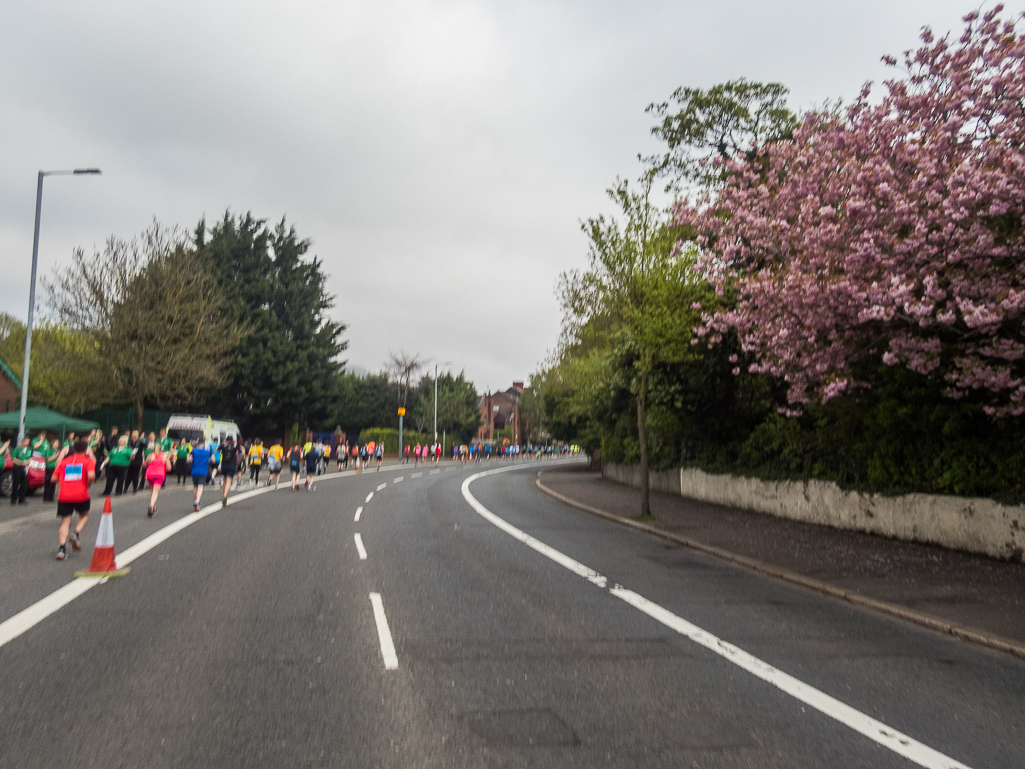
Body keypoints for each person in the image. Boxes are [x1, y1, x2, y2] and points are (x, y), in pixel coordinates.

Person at [54, 439, 96, 561]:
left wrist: (63, 482)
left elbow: (53, 478)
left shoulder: (65, 462)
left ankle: (61, 549)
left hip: (64, 495)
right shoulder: (89, 461)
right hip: (81, 494)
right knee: (84, 514)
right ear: (86, 450)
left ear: (73, 449)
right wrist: (88, 484)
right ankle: (76, 533)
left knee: (65, 522)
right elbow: (91, 475)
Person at [144, 440, 172, 517]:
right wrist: (163, 468)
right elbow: (169, 468)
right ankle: (151, 505)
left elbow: (145, 465)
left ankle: (154, 508)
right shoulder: (164, 456)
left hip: (150, 474)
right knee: (155, 492)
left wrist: (144, 460)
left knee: (153, 491)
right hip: (159, 474)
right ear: (161, 449)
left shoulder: (150, 456)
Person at [188, 437, 213, 512]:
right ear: (204, 443)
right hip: (203, 471)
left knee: (195, 487)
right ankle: (197, 501)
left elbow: (188, 459)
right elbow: (213, 459)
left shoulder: (194, 451)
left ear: (198, 444)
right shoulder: (208, 451)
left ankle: (195, 502)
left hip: (194, 471)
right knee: (201, 486)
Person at [10, 436, 31, 505]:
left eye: (28, 441)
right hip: (17, 468)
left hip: (25, 468)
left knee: (24, 484)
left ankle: (21, 499)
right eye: (25, 441)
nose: (27, 443)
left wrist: (28, 461)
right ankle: (13, 499)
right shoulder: (17, 449)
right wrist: (21, 462)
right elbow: (13, 459)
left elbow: (31, 458)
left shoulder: (29, 450)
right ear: (22, 442)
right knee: (16, 484)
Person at [219, 437, 238, 507]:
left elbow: (217, 449)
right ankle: (225, 496)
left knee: (224, 480)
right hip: (232, 465)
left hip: (224, 465)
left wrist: (223, 443)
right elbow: (242, 452)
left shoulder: (224, 447)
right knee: (229, 481)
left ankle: (224, 494)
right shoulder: (235, 447)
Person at [43, 438, 60, 502]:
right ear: (52, 444)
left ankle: (51, 497)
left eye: (57, 443)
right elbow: (48, 459)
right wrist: (55, 456)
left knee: (53, 482)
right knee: (48, 482)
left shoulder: (57, 450)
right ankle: (46, 497)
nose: (56, 444)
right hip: (49, 467)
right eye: (55, 443)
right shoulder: (49, 450)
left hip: (55, 468)